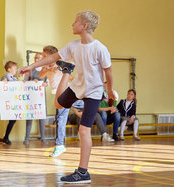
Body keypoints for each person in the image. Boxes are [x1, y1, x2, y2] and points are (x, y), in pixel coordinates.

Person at [20, 10, 115, 184]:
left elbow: (108, 71)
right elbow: (53, 57)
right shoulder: (74, 45)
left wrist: (110, 91)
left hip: (93, 92)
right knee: (58, 104)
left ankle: (83, 172)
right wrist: (30, 66)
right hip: (77, 87)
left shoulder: (100, 48)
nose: (72, 24)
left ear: (84, 26)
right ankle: (67, 72)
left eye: (75, 21)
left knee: (84, 130)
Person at [39, 45, 71, 157]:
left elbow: (70, 76)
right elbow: (41, 75)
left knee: (61, 118)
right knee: (60, 118)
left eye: (45, 55)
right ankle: (59, 145)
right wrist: (49, 69)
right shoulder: (46, 66)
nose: (43, 57)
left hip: (66, 92)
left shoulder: (60, 64)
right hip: (59, 95)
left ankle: (59, 145)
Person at [23, 53, 48, 144]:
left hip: (41, 97)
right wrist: (31, 82)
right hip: (31, 96)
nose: (37, 59)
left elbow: (47, 81)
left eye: (39, 58)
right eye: (36, 58)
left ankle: (43, 137)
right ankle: (27, 137)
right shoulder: (30, 69)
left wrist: (46, 84)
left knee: (42, 116)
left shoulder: (45, 69)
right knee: (30, 116)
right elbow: (24, 82)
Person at [0, 61, 20, 144]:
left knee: (13, 120)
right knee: (12, 120)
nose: (16, 69)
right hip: (9, 102)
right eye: (14, 68)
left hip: (15, 101)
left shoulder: (15, 78)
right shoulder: (5, 77)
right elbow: (2, 84)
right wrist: (3, 82)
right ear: (9, 69)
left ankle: (6, 137)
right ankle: (6, 137)